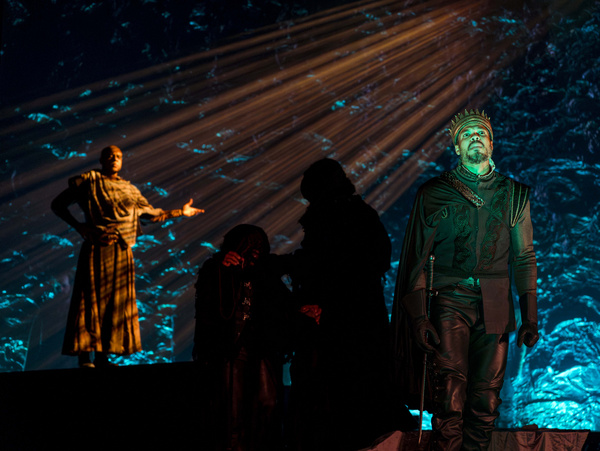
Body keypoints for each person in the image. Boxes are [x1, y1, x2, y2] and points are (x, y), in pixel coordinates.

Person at [391, 109, 539, 450]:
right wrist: (418, 316)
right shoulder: (433, 193)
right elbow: (414, 261)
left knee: (486, 399)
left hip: (496, 302)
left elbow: (524, 257)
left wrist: (530, 316)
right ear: (456, 147)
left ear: (492, 142)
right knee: (449, 395)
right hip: (449, 300)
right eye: (467, 134)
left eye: (481, 133)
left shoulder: (515, 195)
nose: (475, 137)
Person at [287, 158, 409, 451]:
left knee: (343, 392)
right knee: (364, 387)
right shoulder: (360, 214)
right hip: (362, 314)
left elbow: (321, 263)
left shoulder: (332, 217)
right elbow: (379, 258)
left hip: (343, 319)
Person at [51, 145, 203, 368]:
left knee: (116, 302)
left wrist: (181, 211)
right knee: (90, 300)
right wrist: (80, 227)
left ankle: (103, 355)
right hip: (97, 248)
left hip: (122, 251)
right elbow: (58, 205)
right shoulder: (89, 181)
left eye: (118, 156)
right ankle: (85, 355)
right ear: (102, 159)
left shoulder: (129, 190)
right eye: (110, 155)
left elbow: (152, 215)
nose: (114, 158)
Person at [193, 224, 296, 451]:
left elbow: (285, 292)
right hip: (230, 350)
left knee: (267, 403)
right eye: (250, 244)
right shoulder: (217, 269)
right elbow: (207, 310)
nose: (256, 250)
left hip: (262, 348)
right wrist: (223, 268)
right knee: (232, 411)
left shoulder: (265, 271)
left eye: (260, 245)